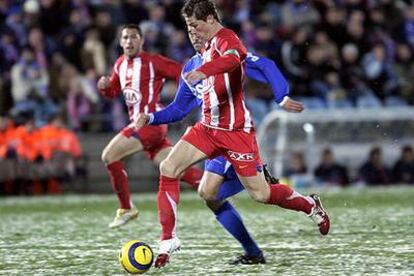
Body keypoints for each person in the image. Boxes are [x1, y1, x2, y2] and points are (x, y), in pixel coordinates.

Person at [134, 0, 330, 268]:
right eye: (188, 29)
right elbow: (180, 108)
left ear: (211, 20)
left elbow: (240, 60)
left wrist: (281, 95)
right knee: (175, 172)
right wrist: (152, 117)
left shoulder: (228, 40)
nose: (192, 34)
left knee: (260, 195)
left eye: (196, 27)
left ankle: (309, 205)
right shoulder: (191, 65)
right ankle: (168, 240)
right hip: (208, 130)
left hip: (237, 133)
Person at [97, 24, 203, 229]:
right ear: (120, 42)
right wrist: (105, 87)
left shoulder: (153, 62)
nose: (129, 41)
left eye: (134, 37)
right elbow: (113, 91)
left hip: (149, 123)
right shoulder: (120, 64)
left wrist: (192, 92)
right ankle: (215, 186)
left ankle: (126, 208)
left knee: (109, 156)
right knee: (174, 167)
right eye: (125, 37)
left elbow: (182, 72)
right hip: (142, 126)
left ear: (141, 40)